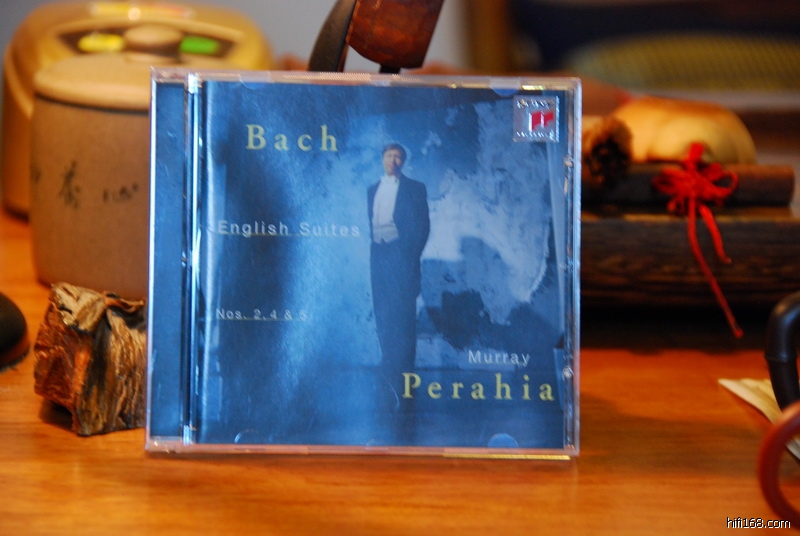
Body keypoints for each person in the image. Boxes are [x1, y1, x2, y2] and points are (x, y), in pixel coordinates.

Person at [367, 143, 430, 390]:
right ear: (382, 159)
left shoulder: (415, 188)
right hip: (378, 256)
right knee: (382, 310)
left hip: (402, 256)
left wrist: (409, 255)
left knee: (403, 312)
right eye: (389, 156)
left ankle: (405, 368)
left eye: (398, 157)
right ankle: (388, 363)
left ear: (403, 162)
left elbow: (423, 226)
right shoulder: (372, 189)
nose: (393, 160)